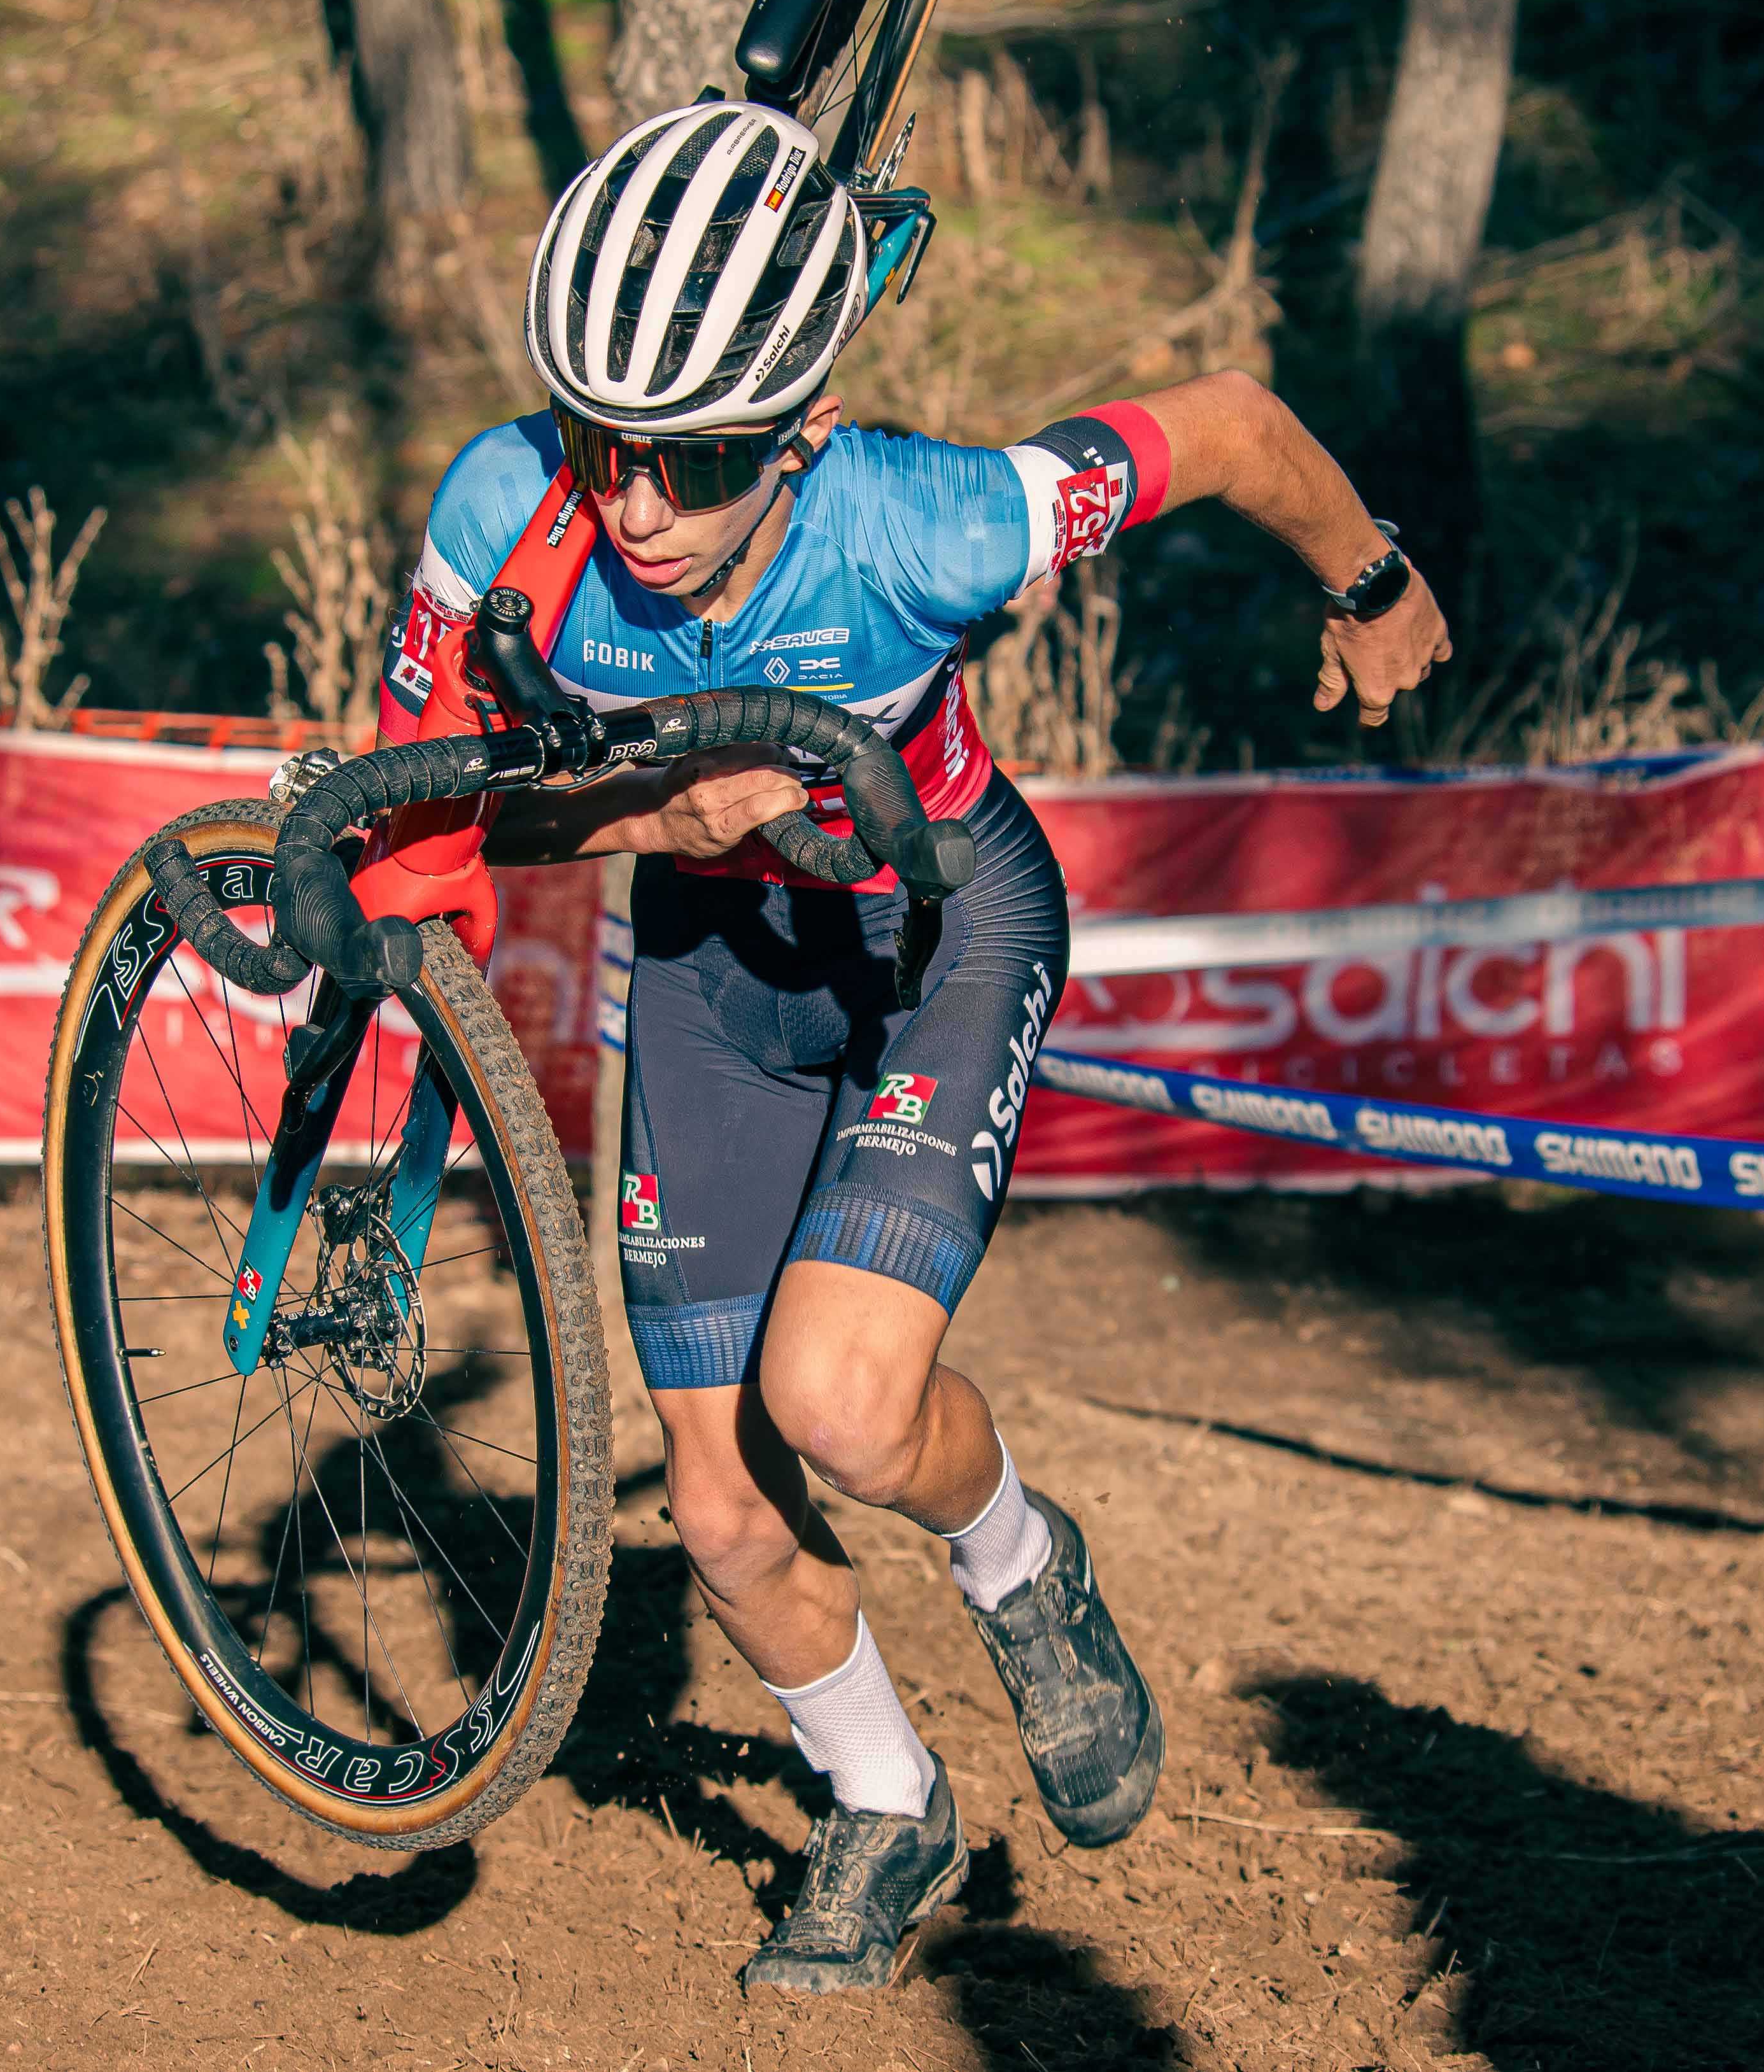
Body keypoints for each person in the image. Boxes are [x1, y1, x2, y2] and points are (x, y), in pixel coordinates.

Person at [376, 100, 1450, 1994]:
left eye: (690, 458)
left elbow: (1232, 423)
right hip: (715, 964)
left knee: (848, 1412)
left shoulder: (928, 522)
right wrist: (654, 824)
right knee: (713, 1505)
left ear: (794, 434)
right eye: (597, 437)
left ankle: (1024, 1563)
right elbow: (426, 815)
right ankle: (882, 1800)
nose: (629, 500)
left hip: (935, 938)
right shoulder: (498, 511)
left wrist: (1365, 579)